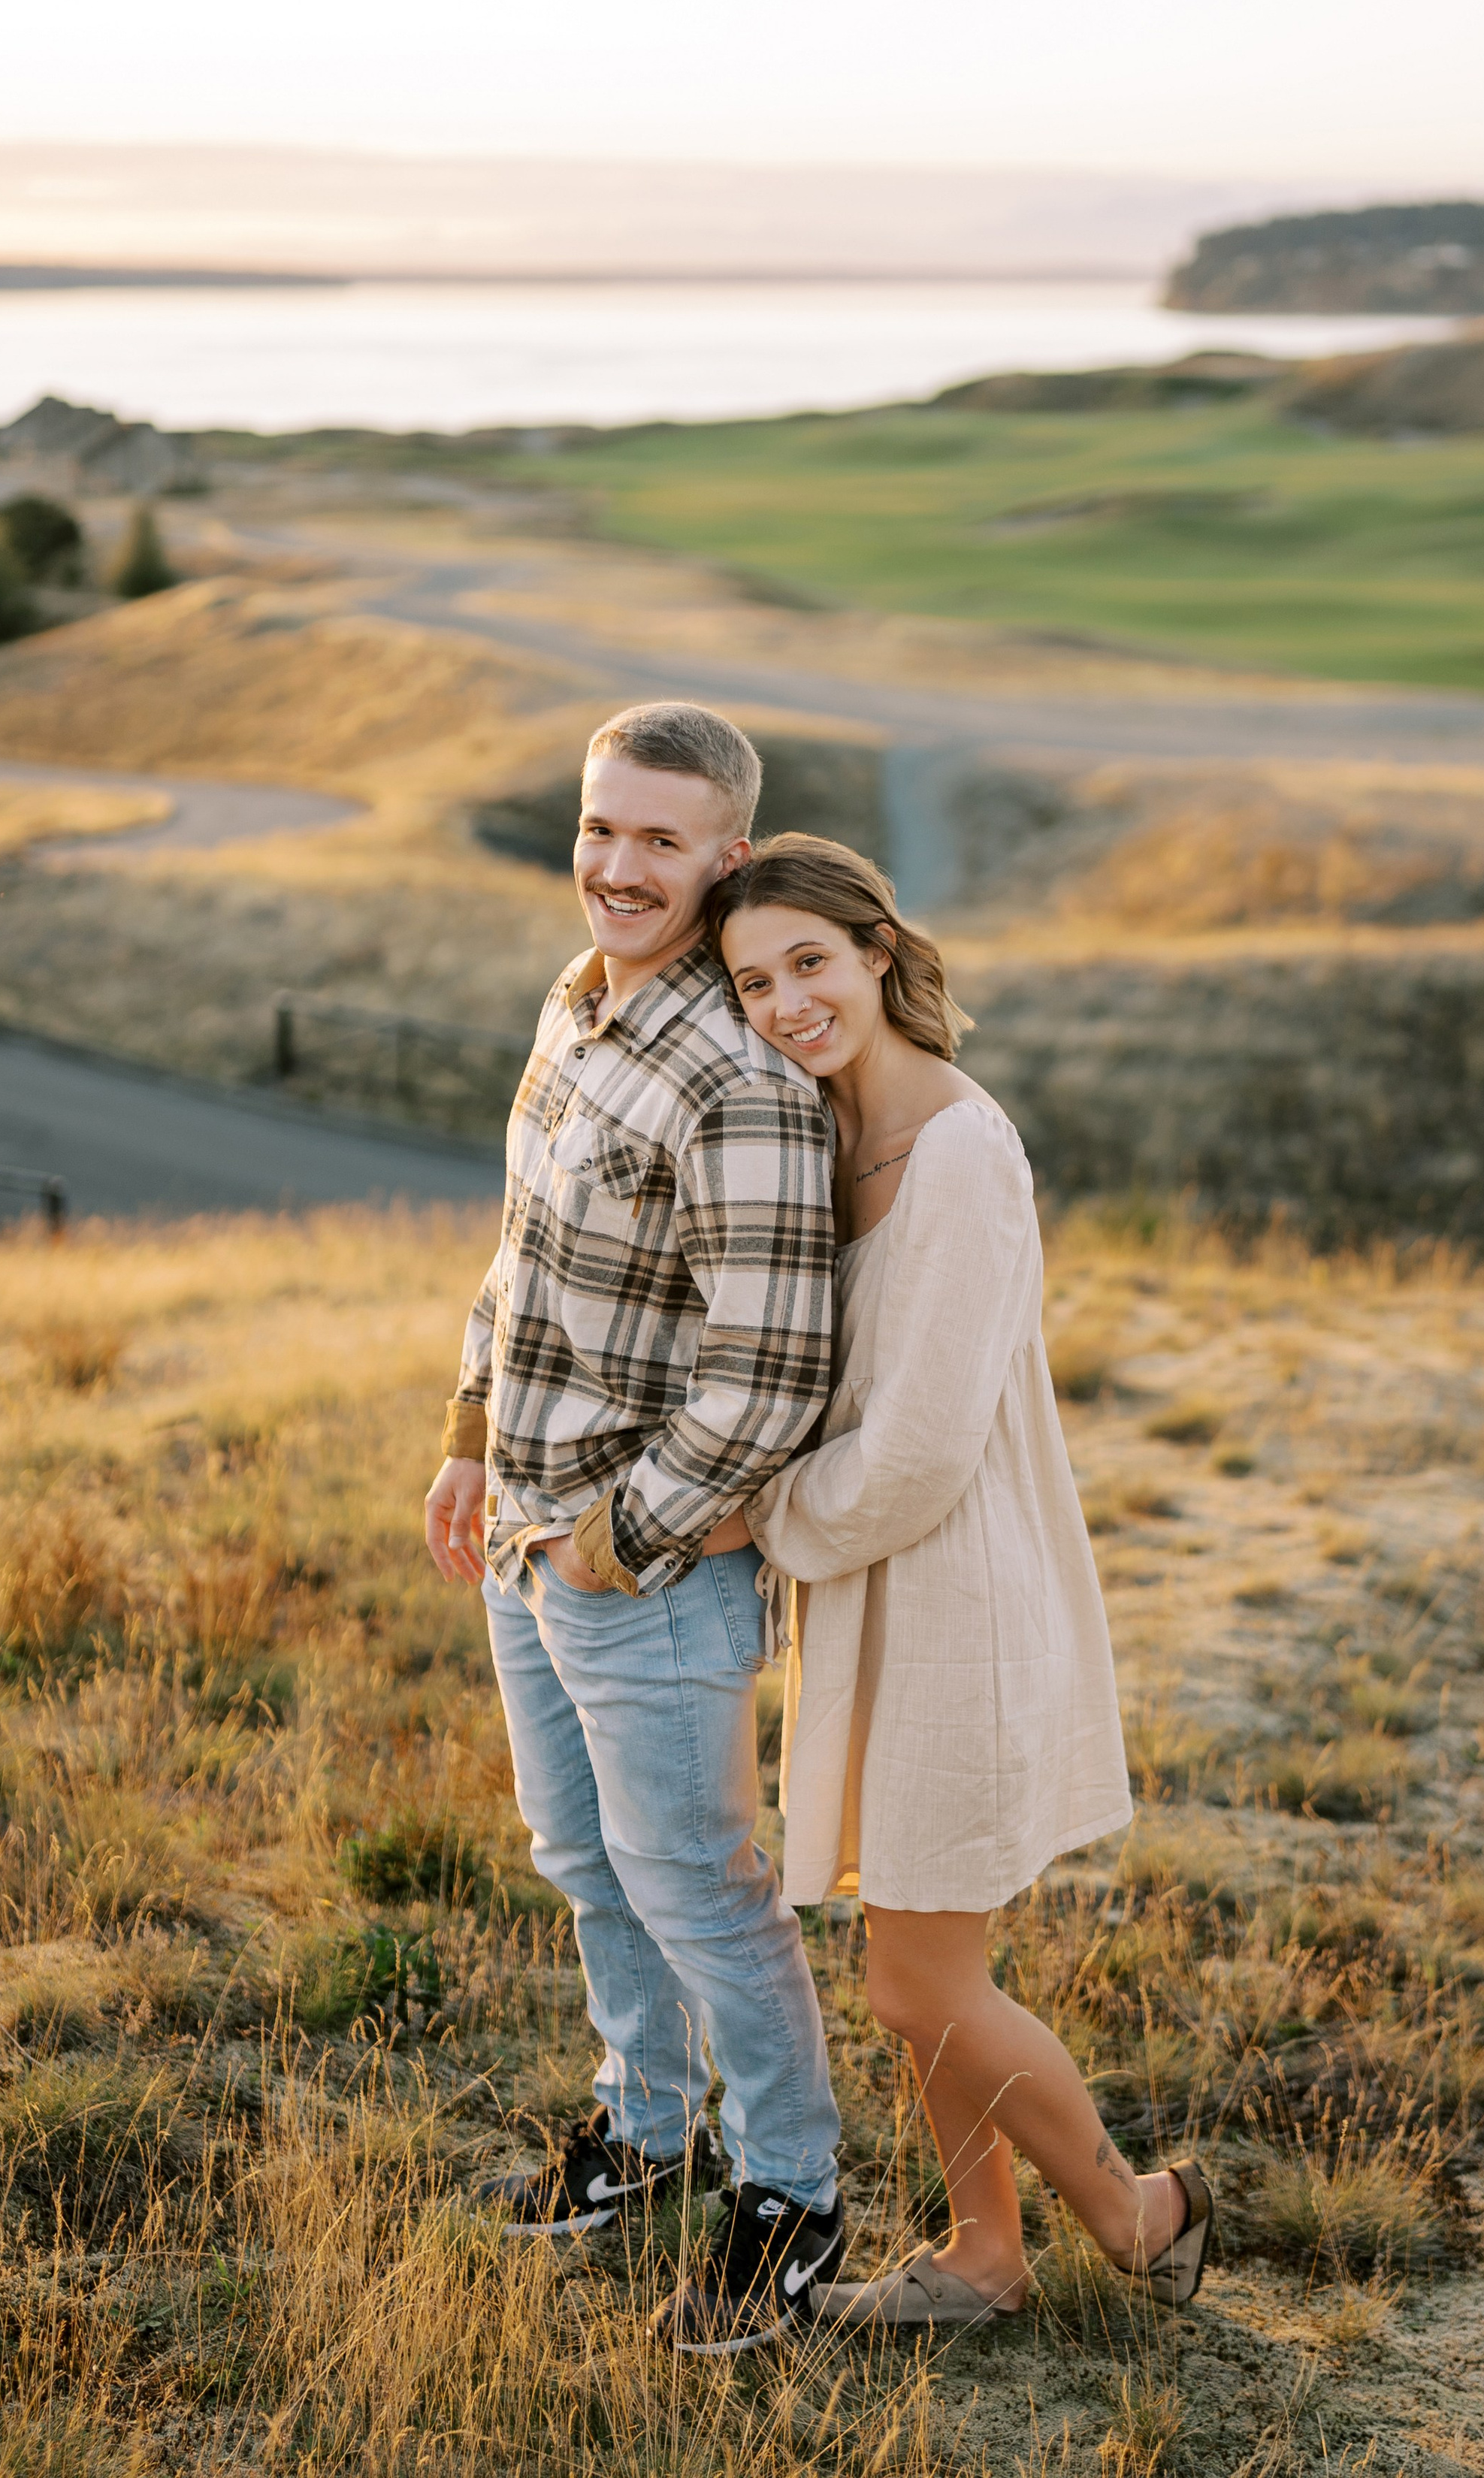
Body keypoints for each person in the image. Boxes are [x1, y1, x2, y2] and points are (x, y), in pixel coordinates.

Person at [709, 832, 1214, 2327]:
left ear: (878, 952)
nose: (787, 1002)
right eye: (753, 982)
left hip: (954, 1593)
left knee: (917, 1983)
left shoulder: (959, 1147)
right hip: (873, 1589)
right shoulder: (823, 1129)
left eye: (810, 962)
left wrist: (763, 1513)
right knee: (911, 1961)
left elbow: (924, 1446)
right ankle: (983, 2254)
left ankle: (1143, 2215)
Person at [423, 704, 848, 2353]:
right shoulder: (576, 1000)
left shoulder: (741, 1078)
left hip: (641, 1571)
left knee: (700, 1892)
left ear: (726, 857)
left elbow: (769, 1373)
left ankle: (790, 2197)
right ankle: (646, 2132)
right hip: (522, 1531)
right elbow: (521, 1249)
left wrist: (622, 1538)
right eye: (601, 826)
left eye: (660, 840)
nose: (616, 864)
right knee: (586, 1863)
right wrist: (471, 1434)